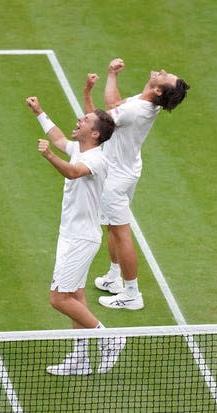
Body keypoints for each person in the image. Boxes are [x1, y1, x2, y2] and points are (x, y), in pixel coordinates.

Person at [25, 94, 125, 376]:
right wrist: (40, 111)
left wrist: (47, 156)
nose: (79, 119)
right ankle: (80, 358)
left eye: (85, 120)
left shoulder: (96, 160)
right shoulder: (81, 150)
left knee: (59, 299)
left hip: (81, 239)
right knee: (76, 296)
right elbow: (58, 138)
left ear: (94, 133)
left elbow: (71, 172)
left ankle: (109, 338)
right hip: (69, 235)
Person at [84, 58, 190, 310]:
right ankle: (113, 277)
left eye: (165, 76)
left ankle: (132, 294)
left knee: (121, 232)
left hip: (115, 177)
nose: (162, 70)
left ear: (158, 90)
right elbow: (116, 104)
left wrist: (92, 87)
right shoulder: (144, 102)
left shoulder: (136, 110)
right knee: (112, 226)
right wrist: (112, 75)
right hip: (127, 169)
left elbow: (103, 114)